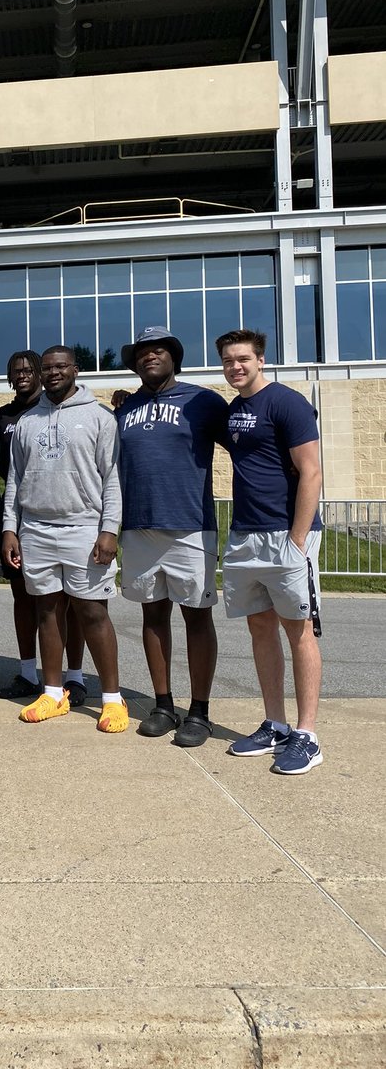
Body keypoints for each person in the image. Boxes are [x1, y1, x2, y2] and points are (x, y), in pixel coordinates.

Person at [216, 329, 324, 775]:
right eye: (227, 360)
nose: (235, 366)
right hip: (245, 533)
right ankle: (275, 724)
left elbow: (312, 471)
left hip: (287, 534)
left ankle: (307, 734)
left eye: (242, 358)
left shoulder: (286, 402)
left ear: (260, 360)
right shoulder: (236, 409)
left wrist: (298, 541)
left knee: (299, 631)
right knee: (260, 628)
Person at [2, 346, 127, 730]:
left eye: (61, 367)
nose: (53, 373)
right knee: (47, 612)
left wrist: (109, 530)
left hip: (84, 529)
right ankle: (53, 693)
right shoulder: (27, 421)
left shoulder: (99, 417)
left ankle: (112, 699)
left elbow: (112, 478)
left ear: (76, 369)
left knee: (92, 613)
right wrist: (10, 527)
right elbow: (15, 480)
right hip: (36, 529)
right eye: (47, 368)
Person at [115, 327, 229, 747]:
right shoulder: (125, 408)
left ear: (174, 357)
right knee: (152, 615)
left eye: (158, 350)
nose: (150, 357)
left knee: (196, 617)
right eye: (142, 352)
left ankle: (200, 712)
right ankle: (163, 705)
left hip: (190, 525)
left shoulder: (203, 402)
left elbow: (248, 447)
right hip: (140, 526)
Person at [0, 350, 87, 703]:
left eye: (28, 369)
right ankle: (28, 672)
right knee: (25, 598)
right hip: (22, 515)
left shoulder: (54, 409)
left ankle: (74, 676)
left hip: (67, 518)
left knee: (72, 603)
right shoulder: (3, 416)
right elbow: (8, 470)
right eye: (15, 371)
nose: (22, 375)